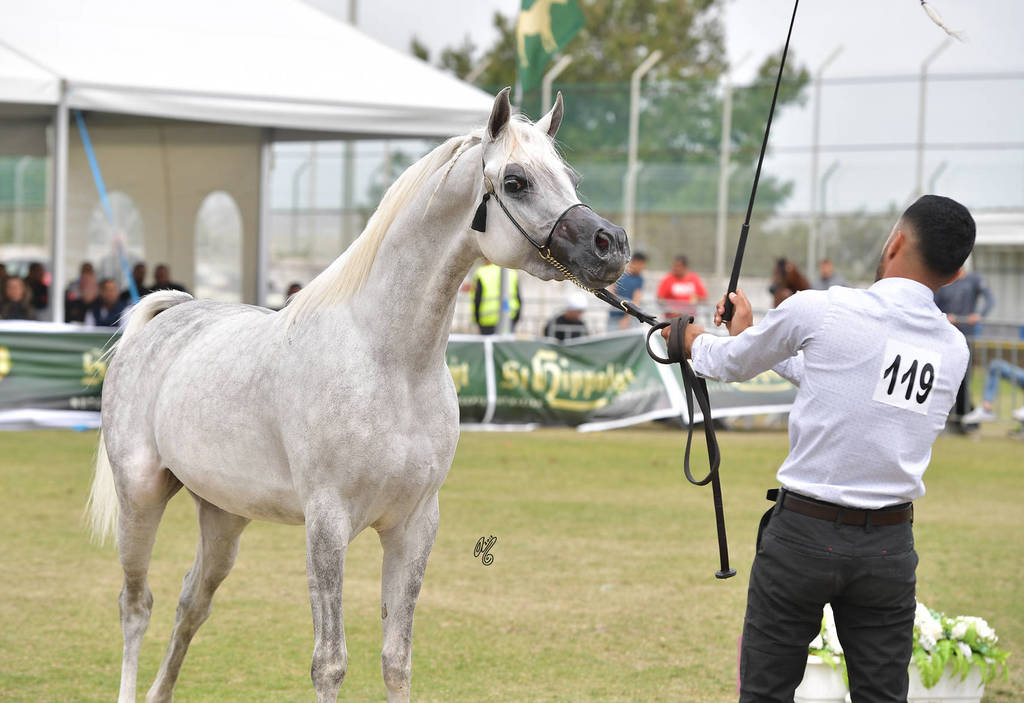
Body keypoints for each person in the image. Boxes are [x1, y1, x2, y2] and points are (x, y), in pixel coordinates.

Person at [664, 194, 975, 703]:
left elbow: (728, 364)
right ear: (956, 275)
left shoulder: (823, 307)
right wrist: (750, 332)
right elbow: (841, 382)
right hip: (888, 548)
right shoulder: (952, 347)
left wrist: (691, 338)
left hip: (802, 537)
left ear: (895, 241)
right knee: (883, 695)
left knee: (765, 693)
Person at [933, 266, 995, 431]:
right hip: (945, 338)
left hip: (966, 338)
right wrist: (944, 316)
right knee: (945, 377)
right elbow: (933, 304)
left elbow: (990, 299)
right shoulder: (944, 282)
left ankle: (964, 419)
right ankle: (951, 419)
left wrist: (980, 315)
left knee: (963, 379)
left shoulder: (974, 280)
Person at [472, 260, 520, 335]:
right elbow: (518, 297)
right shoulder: (512, 272)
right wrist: (516, 318)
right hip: (508, 317)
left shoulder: (482, 272)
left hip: (487, 320)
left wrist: (477, 319)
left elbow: (477, 299)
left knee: (488, 346)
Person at [607, 252, 647, 330]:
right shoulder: (618, 273)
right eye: (642, 264)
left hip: (630, 317)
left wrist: (627, 318)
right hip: (614, 315)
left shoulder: (639, 279)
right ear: (635, 262)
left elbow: (636, 300)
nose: (643, 267)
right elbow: (611, 293)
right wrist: (620, 302)